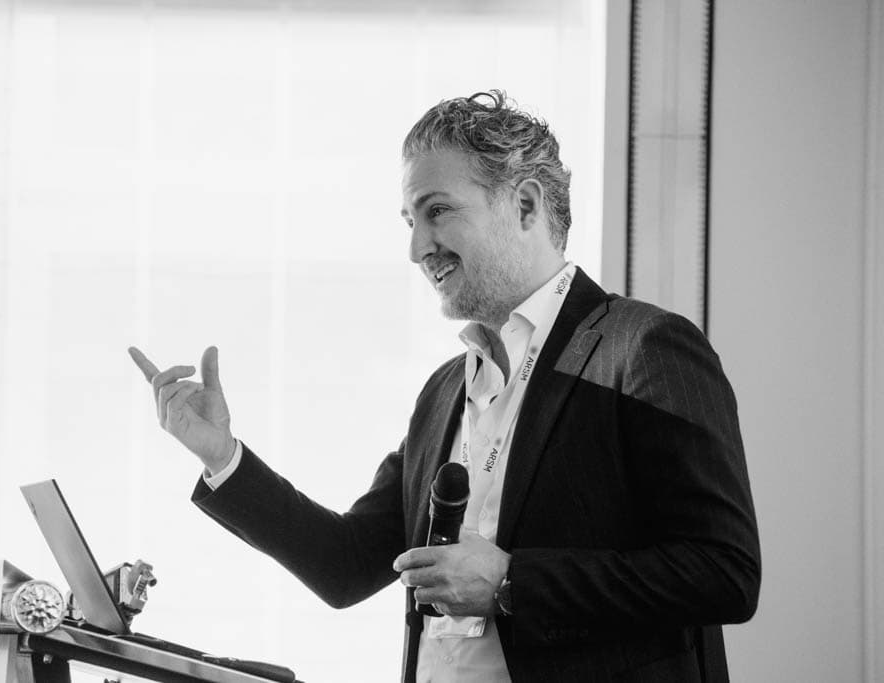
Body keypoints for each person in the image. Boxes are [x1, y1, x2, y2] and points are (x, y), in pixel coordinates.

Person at [129, 90, 760, 682]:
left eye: (437, 211)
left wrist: (512, 582)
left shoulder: (644, 348)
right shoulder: (442, 393)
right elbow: (347, 564)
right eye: (409, 219)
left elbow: (725, 572)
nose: (416, 248)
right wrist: (222, 457)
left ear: (526, 206)